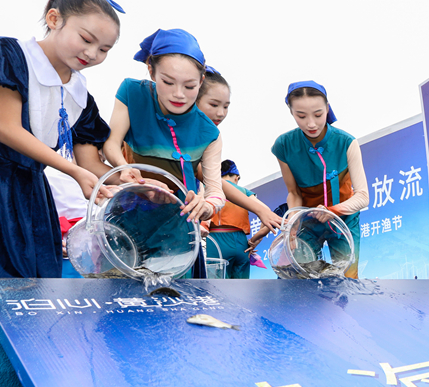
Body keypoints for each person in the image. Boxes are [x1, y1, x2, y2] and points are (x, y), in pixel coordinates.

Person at [0, 0, 122, 295]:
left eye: (104, 49)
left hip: (27, 190)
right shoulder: (8, 55)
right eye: (86, 39)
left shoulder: (79, 95)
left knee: (27, 284)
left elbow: (89, 163)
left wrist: (125, 178)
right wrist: (73, 171)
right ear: (54, 19)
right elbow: (5, 128)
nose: (92, 53)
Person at [96, 29, 225, 277]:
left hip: (176, 231)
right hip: (125, 219)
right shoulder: (133, 93)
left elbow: (216, 191)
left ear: (201, 81)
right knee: (117, 292)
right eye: (167, 82)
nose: (179, 94)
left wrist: (206, 206)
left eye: (190, 86)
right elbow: (111, 144)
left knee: (173, 296)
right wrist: (124, 168)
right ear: (151, 70)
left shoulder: (209, 133)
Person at [272, 81, 368, 278]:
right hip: (308, 221)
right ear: (291, 112)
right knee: (292, 275)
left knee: (348, 278)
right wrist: (292, 224)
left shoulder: (346, 143)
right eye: (301, 116)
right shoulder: (284, 145)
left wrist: (333, 210)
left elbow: (363, 196)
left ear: (327, 108)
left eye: (318, 114)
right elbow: (294, 193)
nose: (311, 124)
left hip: (344, 220)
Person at [195, 68, 281, 278]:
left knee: (213, 285)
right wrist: (260, 219)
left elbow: (212, 185)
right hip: (237, 241)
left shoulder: (212, 138)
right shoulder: (243, 192)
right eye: (214, 105)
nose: (221, 113)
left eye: (226, 106)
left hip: (216, 239)